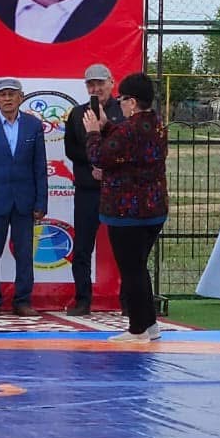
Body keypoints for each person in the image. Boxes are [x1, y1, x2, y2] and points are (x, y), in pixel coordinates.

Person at [83, 72, 168, 342]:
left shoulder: (129, 129)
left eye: (121, 99)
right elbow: (126, 148)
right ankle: (150, 324)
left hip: (127, 211)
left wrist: (93, 132)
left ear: (132, 102)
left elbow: (100, 156)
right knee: (139, 268)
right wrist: (108, 127)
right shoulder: (157, 124)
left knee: (131, 271)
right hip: (154, 209)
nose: (118, 104)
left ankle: (137, 329)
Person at [0, 77, 48, 317]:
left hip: (25, 201)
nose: (7, 99)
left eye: (11, 94)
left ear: (20, 97)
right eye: (2, 95)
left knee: (24, 254)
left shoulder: (34, 126)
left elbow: (40, 167)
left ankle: (23, 301)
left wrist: (41, 202)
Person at [62, 62, 126, 315]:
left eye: (101, 83)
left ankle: (129, 301)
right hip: (87, 189)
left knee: (126, 245)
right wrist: (93, 164)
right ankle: (82, 300)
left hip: (118, 189)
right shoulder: (77, 114)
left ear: (111, 82)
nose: (96, 88)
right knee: (82, 247)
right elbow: (71, 149)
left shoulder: (123, 111)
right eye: (91, 84)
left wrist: (107, 165)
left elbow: (126, 147)